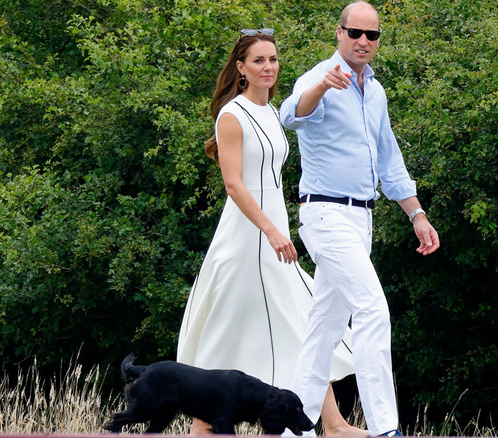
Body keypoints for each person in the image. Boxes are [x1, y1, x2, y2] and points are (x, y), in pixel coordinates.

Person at [176, 28, 365, 436]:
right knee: (229, 330)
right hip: (247, 239)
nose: (268, 67)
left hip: (273, 234)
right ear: (241, 68)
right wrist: (271, 231)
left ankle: (332, 422)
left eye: (273, 59)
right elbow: (234, 185)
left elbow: (274, 176)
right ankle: (200, 428)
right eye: (259, 60)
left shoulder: (270, 111)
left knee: (304, 316)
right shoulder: (233, 114)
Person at [279, 2, 441, 436]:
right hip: (325, 214)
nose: (363, 42)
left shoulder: (378, 92)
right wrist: (322, 90)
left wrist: (417, 215)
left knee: (326, 327)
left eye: (372, 35)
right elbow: (289, 115)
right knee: (372, 309)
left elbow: (390, 159)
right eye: (355, 33)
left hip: (361, 220)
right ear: (339, 33)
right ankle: (386, 428)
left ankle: (292, 427)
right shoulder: (319, 77)